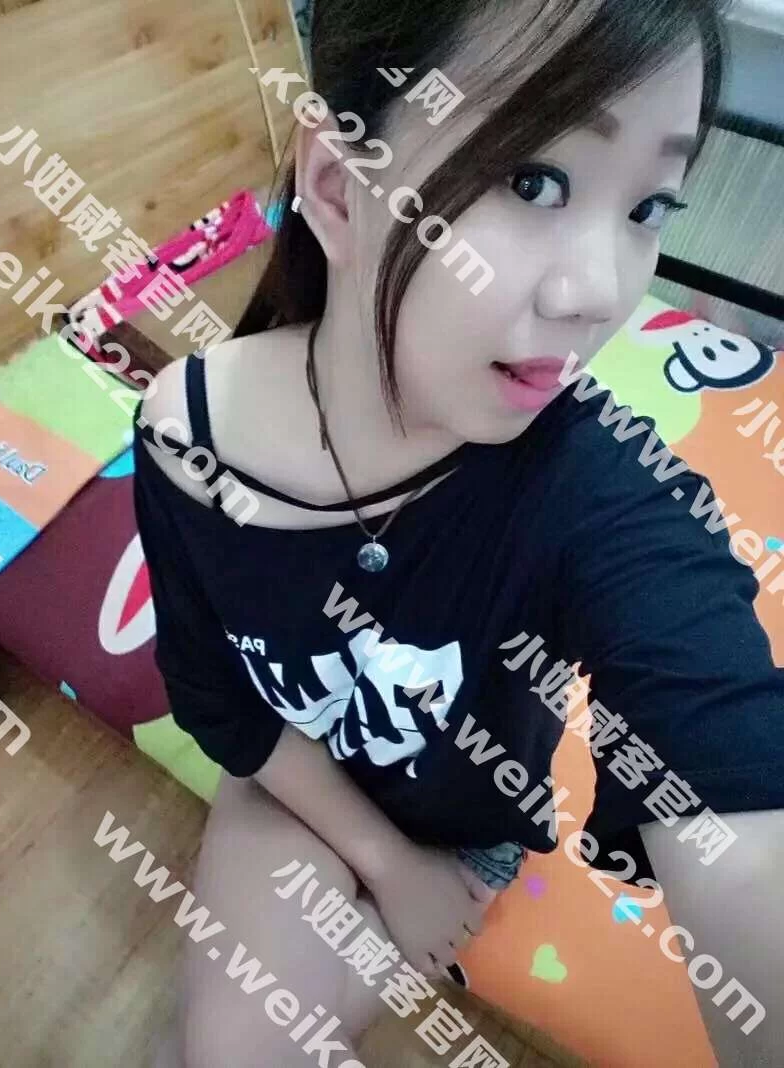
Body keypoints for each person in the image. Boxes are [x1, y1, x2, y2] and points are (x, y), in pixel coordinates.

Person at [135, 1, 784, 1064]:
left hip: (467, 828)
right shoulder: (188, 434)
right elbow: (215, 694)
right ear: (338, 189)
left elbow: (733, 767)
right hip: (288, 778)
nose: (598, 294)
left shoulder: (598, 499)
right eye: (533, 180)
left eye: (648, 206)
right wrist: (387, 866)